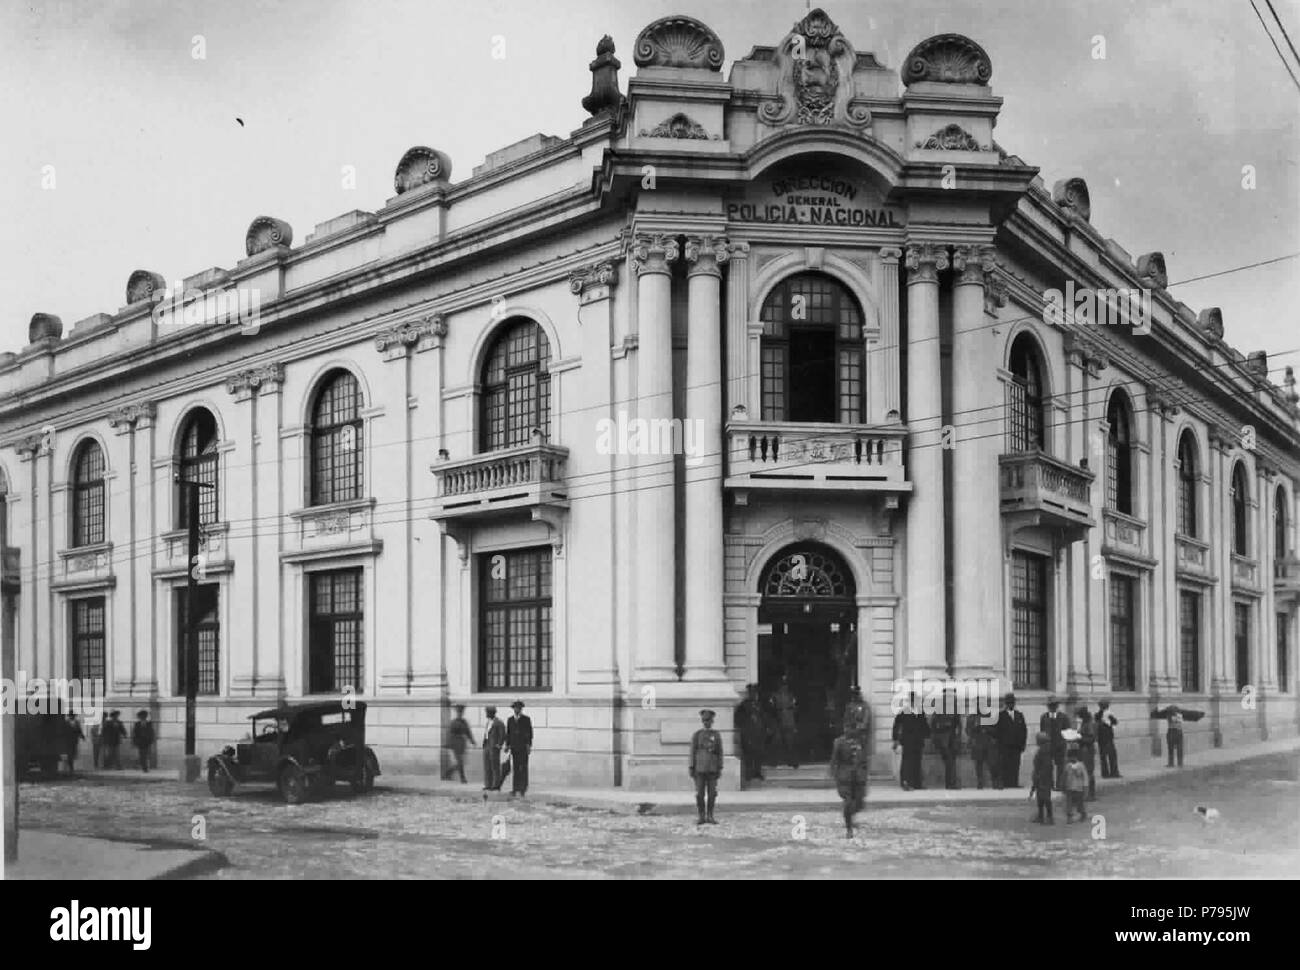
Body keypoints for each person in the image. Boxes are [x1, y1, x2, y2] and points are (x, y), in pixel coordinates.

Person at [830, 726, 869, 838]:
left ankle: (851, 818)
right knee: (848, 802)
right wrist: (834, 772)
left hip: (858, 777)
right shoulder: (839, 742)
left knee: (858, 802)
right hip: (845, 777)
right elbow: (834, 759)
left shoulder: (860, 742)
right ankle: (849, 828)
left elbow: (864, 760)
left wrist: (864, 775)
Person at [688, 709, 725, 825]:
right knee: (699, 794)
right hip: (699, 769)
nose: (706, 722)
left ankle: (710, 815)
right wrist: (691, 766)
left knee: (712, 793)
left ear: (712, 721)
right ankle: (701, 816)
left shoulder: (716, 735)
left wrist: (720, 767)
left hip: (712, 769)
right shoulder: (697, 735)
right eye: (704, 720)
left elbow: (720, 752)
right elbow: (692, 751)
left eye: (708, 720)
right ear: (702, 721)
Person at [891, 694, 929, 790]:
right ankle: (905, 782)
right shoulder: (904, 712)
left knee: (917, 762)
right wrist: (896, 739)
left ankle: (917, 783)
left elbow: (924, 725)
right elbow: (896, 726)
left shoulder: (920, 712)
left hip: (918, 741)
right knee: (907, 762)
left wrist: (927, 735)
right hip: (907, 741)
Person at [735, 683, 766, 784]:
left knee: (758, 752)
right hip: (748, 733)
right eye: (752, 692)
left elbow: (763, 717)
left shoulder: (759, 704)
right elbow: (738, 718)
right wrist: (744, 727)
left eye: (755, 693)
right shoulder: (744, 705)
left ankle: (757, 772)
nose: (753, 694)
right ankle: (748, 773)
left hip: (758, 732)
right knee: (748, 753)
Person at [995, 693, 1028, 787]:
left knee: (1015, 766)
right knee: (1005, 766)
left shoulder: (1019, 715)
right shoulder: (1001, 716)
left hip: (1016, 747)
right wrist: (1000, 745)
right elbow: (997, 732)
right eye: (1009, 703)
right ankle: (1006, 784)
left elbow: (1023, 730)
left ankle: (1014, 783)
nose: (1011, 705)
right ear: (1006, 703)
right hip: (1005, 747)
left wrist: (1023, 744)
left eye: (1012, 703)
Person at [929, 696, 961, 790]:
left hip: (951, 740)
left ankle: (951, 783)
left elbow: (959, 725)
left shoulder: (954, 713)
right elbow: (934, 726)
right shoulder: (939, 713)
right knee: (949, 762)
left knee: (951, 762)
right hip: (943, 741)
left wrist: (958, 737)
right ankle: (951, 783)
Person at [1040, 696, 1069, 790]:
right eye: (1050, 705)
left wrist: (1064, 742)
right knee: (1047, 766)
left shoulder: (1063, 717)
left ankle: (1060, 784)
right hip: (1048, 745)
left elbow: (1066, 730)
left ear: (1057, 706)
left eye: (1054, 705)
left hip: (1060, 744)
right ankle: (1049, 784)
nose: (1052, 707)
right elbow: (1042, 731)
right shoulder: (1044, 717)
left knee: (1060, 766)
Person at [505, 700, 533, 797]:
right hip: (514, 747)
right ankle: (515, 788)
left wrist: (529, 745)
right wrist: (507, 745)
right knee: (516, 768)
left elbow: (530, 733)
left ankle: (523, 788)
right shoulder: (510, 720)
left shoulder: (526, 719)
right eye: (515, 708)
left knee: (523, 768)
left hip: (523, 747)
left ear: (521, 709)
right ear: (513, 709)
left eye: (518, 708)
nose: (517, 709)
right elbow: (508, 734)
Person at [966, 710, 1000, 789]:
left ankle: (994, 782)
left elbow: (995, 730)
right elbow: (968, 730)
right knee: (978, 765)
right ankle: (980, 782)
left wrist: (986, 727)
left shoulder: (989, 716)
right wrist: (975, 728)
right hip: (977, 744)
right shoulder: (971, 718)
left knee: (992, 764)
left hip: (988, 744)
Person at [772, 675, 799, 768]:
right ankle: (776, 761)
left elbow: (795, 708)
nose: (784, 687)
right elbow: (772, 709)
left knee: (790, 742)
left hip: (789, 721)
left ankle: (792, 761)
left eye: (785, 684)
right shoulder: (775, 696)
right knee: (777, 742)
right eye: (782, 684)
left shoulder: (791, 696)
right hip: (778, 721)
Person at [1029, 731, 1055, 824]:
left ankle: (1049, 816)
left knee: (1045, 798)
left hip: (1043, 778)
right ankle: (1041, 816)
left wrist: (1039, 776)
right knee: (1040, 798)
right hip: (1041, 777)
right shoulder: (1043, 750)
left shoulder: (1044, 752)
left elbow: (1046, 766)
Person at [444, 704, 473, 783]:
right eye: (459, 712)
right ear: (457, 713)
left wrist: (472, 740)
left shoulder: (464, 722)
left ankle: (448, 772)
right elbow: (450, 734)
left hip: (462, 744)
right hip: (455, 743)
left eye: (461, 712)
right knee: (460, 762)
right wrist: (448, 744)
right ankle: (462, 778)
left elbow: (468, 732)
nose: (460, 713)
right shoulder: (453, 722)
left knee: (461, 762)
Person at [481, 705, 506, 794]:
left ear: (492, 713)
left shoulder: (498, 722)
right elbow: (486, 734)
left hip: (494, 747)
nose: (486, 714)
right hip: (487, 745)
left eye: (487, 712)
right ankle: (488, 784)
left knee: (495, 766)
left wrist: (499, 745)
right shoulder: (488, 722)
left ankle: (496, 785)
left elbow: (502, 734)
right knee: (487, 765)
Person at [1062, 747, 1087, 822]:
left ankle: (1082, 813)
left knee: (1079, 803)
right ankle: (1069, 816)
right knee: (1069, 803)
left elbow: (1084, 776)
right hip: (1069, 787)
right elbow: (1065, 775)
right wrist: (1063, 785)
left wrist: (1085, 787)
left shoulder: (1080, 765)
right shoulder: (1067, 766)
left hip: (1079, 788)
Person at [1096, 699, 1120, 778]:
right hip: (1107, 737)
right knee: (1111, 755)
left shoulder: (1098, 714)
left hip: (1102, 738)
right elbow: (1115, 722)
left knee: (1104, 757)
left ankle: (1105, 773)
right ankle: (1114, 772)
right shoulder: (1108, 714)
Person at [1077, 708, 1097, 799]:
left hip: (1087, 750)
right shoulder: (1085, 723)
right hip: (1084, 750)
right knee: (1085, 772)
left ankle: (1091, 794)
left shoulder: (1089, 724)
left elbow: (1091, 738)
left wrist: (1079, 738)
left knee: (1088, 772)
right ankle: (1087, 793)